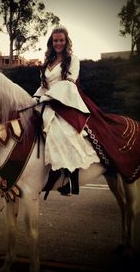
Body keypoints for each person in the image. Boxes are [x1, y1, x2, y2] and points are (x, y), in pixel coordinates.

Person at [33, 25, 101, 196]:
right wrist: (35, 98)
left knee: (63, 132)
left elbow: (69, 83)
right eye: (55, 40)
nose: (58, 43)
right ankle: (47, 168)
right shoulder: (48, 62)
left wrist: (48, 97)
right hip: (48, 101)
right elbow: (43, 86)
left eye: (61, 40)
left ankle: (72, 180)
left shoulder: (72, 59)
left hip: (66, 102)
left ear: (66, 41)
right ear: (51, 41)